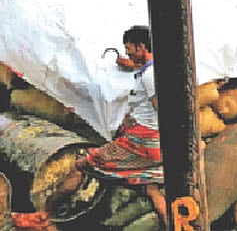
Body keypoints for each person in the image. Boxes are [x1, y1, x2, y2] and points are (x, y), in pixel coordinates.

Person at [67, 26, 167, 224]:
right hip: (154, 145)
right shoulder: (151, 69)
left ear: (140, 46)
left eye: (129, 48)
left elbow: (161, 109)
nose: (127, 51)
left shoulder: (149, 76)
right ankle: (171, 221)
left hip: (144, 143)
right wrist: (131, 65)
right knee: (150, 186)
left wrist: (139, 130)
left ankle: (46, 214)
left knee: (83, 163)